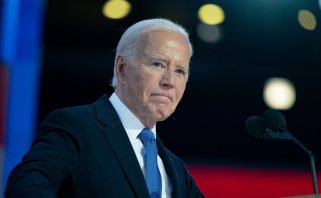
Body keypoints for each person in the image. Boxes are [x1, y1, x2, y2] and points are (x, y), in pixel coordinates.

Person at [5, 18, 204, 198]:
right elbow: (25, 187)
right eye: (158, 64)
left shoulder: (176, 169)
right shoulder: (76, 127)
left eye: (180, 71)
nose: (170, 81)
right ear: (122, 68)